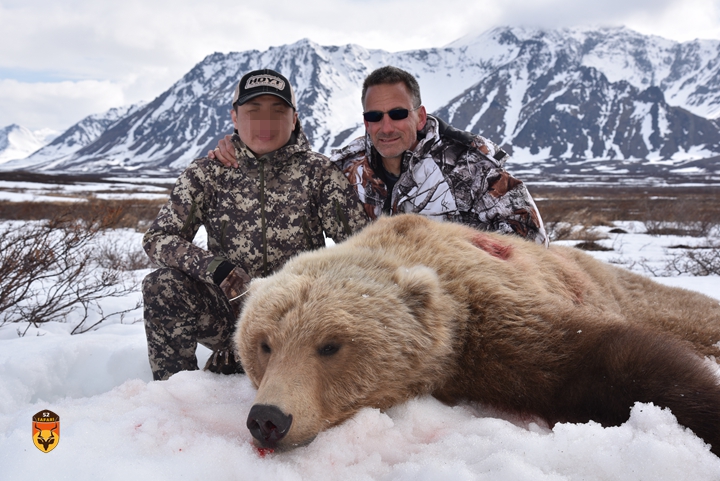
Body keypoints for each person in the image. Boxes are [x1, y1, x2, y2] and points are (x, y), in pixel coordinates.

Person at [142, 68, 368, 381]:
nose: (266, 123)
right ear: (235, 118)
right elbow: (157, 238)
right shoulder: (207, 173)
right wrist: (216, 269)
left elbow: (361, 247)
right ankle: (178, 395)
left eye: (278, 111)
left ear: (294, 119)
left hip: (298, 320)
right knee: (162, 285)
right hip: (230, 317)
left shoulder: (319, 173)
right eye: (253, 111)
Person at [212, 66, 547, 246]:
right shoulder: (346, 167)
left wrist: (458, 262)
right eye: (375, 117)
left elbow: (531, 240)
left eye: (398, 114)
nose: (386, 127)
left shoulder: (470, 165)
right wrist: (240, 147)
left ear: (419, 116)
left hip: (464, 300)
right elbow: (293, 173)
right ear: (365, 122)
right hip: (378, 304)